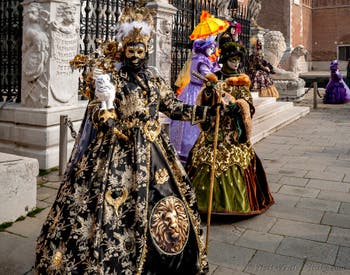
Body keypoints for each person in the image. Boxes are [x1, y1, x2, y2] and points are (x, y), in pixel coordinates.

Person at [35, 7, 216, 274]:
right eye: (130, 49)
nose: (134, 55)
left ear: (146, 49)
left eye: (140, 50)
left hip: (154, 151)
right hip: (116, 151)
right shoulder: (113, 80)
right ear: (123, 48)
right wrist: (106, 119)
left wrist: (208, 112)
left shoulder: (154, 80)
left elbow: (173, 107)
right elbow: (96, 110)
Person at [186, 41, 274, 216]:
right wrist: (209, 94)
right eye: (232, 60)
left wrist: (238, 108)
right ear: (225, 59)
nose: (236, 64)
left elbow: (249, 106)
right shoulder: (214, 77)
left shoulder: (241, 81)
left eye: (238, 60)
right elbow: (203, 100)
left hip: (231, 134)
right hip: (213, 132)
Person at [170, 36, 220, 163]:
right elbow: (206, 74)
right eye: (210, 48)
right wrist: (214, 75)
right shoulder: (201, 60)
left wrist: (215, 65)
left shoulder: (200, 58)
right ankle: (190, 150)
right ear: (204, 48)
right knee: (194, 119)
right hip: (196, 93)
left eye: (213, 48)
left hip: (193, 89)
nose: (212, 50)